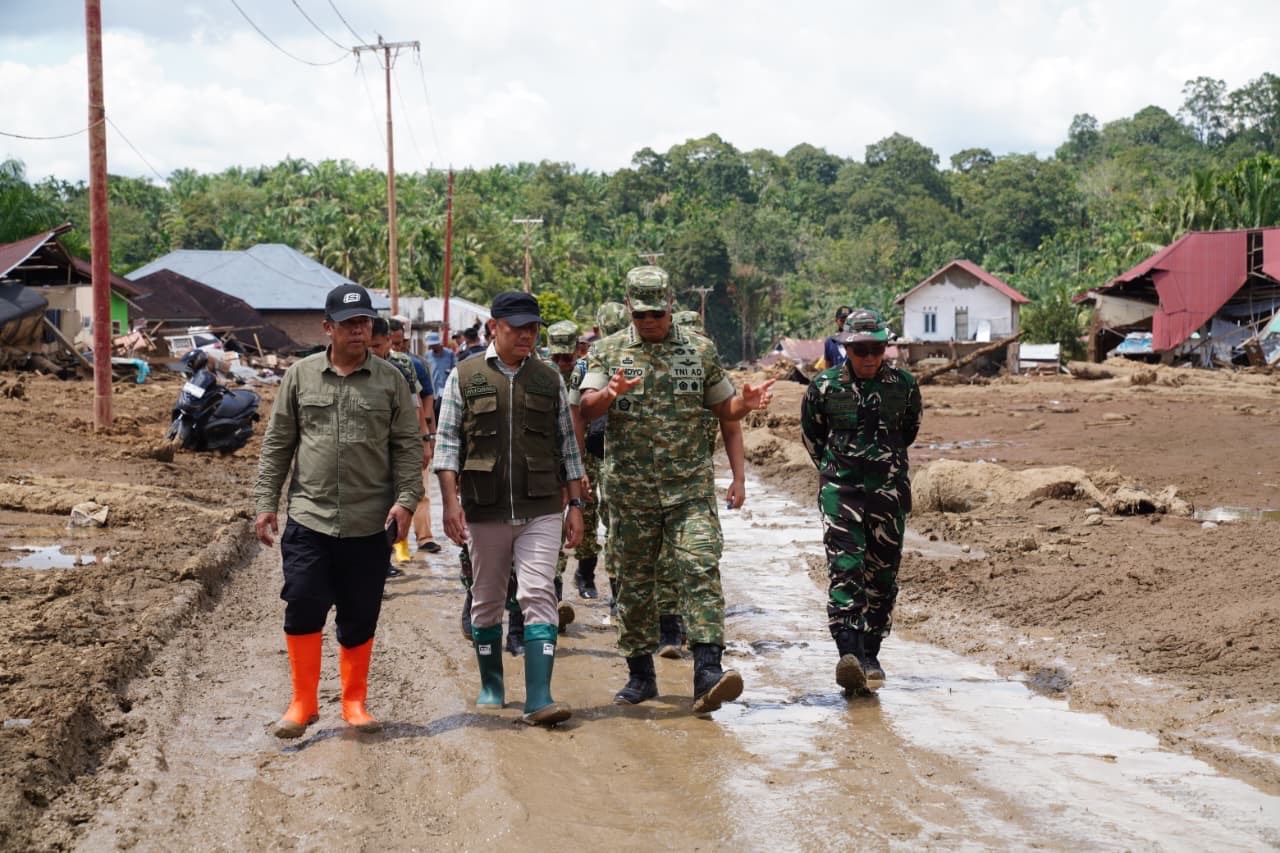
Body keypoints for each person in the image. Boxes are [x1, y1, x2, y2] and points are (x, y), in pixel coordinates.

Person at [579, 266, 775, 714]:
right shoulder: (607, 351)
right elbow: (586, 408)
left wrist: (745, 402)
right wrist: (610, 392)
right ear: (629, 308)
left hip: (689, 488)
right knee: (633, 582)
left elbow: (723, 406)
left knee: (700, 568)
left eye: (657, 313)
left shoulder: (700, 351)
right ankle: (640, 676)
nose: (649, 322)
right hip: (631, 491)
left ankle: (708, 671)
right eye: (641, 313)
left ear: (670, 305)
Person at [254, 284, 423, 738]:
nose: (359, 330)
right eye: (349, 323)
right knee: (304, 603)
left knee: (359, 612)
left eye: (364, 322)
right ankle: (303, 702)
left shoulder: (391, 380)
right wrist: (265, 503)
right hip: (310, 517)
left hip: (371, 523)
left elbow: (408, 447)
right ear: (327, 328)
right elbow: (277, 444)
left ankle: (353, 702)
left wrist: (407, 501)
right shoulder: (300, 376)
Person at [434, 291, 586, 726]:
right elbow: (447, 447)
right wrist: (450, 504)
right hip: (485, 509)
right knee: (485, 602)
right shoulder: (464, 376)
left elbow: (567, 447)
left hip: (542, 508)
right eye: (517, 326)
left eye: (532, 327)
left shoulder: (548, 378)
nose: (527, 334)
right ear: (493, 327)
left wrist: (574, 503)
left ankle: (539, 697)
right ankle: (492, 685)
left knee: (539, 594)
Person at [800, 308, 922, 696]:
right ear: (846, 347)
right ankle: (849, 655)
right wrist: (837, 471)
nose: (869, 357)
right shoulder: (824, 387)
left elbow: (909, 430)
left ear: (885, 347)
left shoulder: (903, 385)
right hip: (842, 492)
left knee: (883, 577)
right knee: (846, 569)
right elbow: (812, 435)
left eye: (876, 349)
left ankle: (871, 654)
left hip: (888, 493)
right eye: (860, 350)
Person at [388, 318, 442, 556]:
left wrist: (427, 436)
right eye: (392, 343)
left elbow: (424, 399)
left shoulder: (413, 365)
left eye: (399, 343)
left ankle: (424, 537)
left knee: (419, 489)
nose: (396, 348)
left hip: (413, 435)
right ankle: (396, 545)